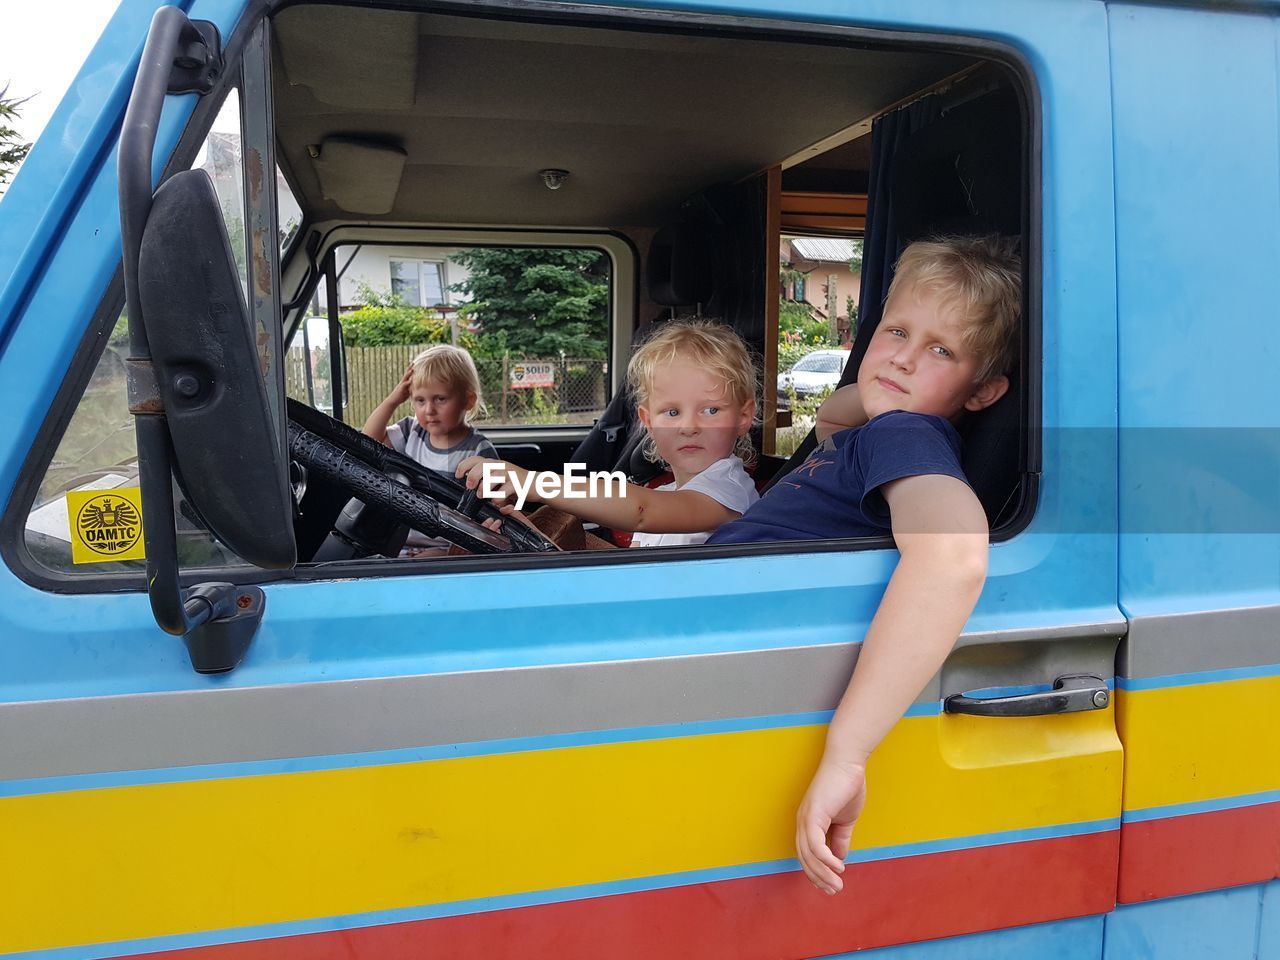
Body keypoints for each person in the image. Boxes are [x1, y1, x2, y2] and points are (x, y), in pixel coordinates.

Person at [706, 235, 1020, 895]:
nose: (904, 358)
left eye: (940, 349)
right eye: (895, 330)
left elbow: (954, 552)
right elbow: (831, 415)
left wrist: (847, 754)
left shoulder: (904, 433)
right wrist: (882, 381)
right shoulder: (879, 428)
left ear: (985, 391)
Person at [457, 320, 759, 546]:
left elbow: (642, 510)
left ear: (744, 417)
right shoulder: (664, 494)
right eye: (672, 412)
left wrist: (529, 483)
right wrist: (535, 539)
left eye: (710, 411)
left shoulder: (728, 490)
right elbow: (634, 574)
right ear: (648, 422)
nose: (689, 427)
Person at [362, 344, 497, 553]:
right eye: (420, 400)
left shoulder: (479, 450)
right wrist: (393, 399)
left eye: (440, 399)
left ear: (468, 401)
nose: (429, 410)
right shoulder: (411, 431)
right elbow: (367, 441)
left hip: (446, 546)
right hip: (398, 540)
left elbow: (493, 508)